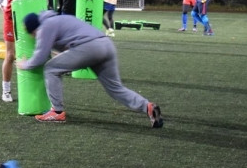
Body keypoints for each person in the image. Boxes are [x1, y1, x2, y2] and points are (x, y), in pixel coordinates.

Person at [17, 10, 164, 128]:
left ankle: (57, 111)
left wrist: (24, 65)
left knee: (50, 69)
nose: (35, 37)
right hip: (106, 45)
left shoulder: (44, 27)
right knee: (115, 88)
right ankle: (148, 107)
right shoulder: (57, 18)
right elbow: (71, 40)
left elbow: (40, 57)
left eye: (33, 34)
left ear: (33, 29)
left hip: (89, 48)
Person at [2, 0, 36, 103]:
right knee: (11, 55)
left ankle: (32, 88)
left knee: (32, 52)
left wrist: (35, 5)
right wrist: (20, 1)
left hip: (27, 17)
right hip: (12, 18)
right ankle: (6, 90)